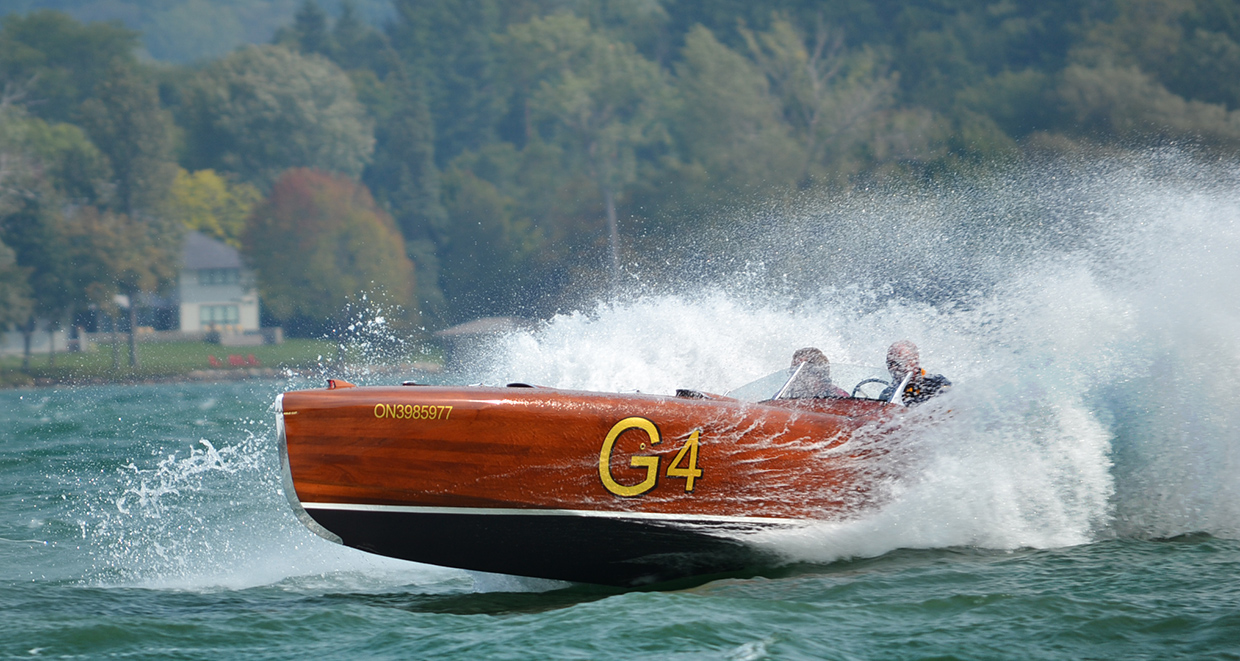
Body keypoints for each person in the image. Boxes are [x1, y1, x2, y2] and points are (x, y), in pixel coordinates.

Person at [879, 340, 951, 405]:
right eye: (889, 364)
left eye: (897, 363)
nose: (893, 368)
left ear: (914, 362)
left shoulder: (938, 384)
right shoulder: (888, 393)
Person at [784, 347, 849, 399]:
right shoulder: (785, 395)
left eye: (803, 372)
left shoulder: (839, 396)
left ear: (820, 374)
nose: (795, 377)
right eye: (793, 371)